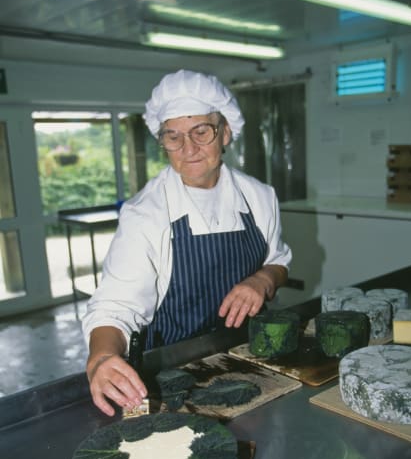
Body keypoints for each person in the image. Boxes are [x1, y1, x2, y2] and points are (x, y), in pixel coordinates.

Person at [83, 69, 292, 416]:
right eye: (173, 136)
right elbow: (115, 307)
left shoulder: (259, 197)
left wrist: (263, 279)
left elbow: (279, 260)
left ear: (225, 132)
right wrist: (101, 357)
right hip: (168, 370)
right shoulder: (146, 214)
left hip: (244, 354)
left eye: (201, 132)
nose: (188, 148)